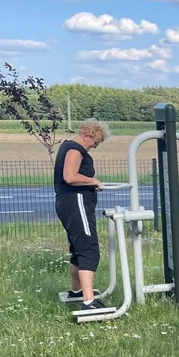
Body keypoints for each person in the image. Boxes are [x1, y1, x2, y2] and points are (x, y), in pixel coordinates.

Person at [54, 118, 110, 312]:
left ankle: (77, 291)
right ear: (88, 135)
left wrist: (89, 184)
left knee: (78, 248)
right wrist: (93, 180)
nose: (94, 147)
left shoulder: (68, 147)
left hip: (68, 202)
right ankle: (89, 301)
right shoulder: (75, 150)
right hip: (74, 202)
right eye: (95, 143)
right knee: (88, 248)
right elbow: (70, 176)